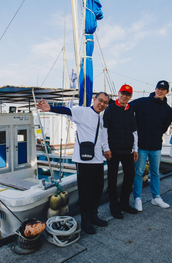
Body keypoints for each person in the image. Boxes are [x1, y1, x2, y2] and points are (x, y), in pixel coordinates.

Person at [36, 92, 110, 235]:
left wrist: (106, 150)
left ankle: (94, 215)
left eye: (105, 102)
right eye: (100, 100)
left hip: (97, 159)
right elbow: (67, 110)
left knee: (97, 189)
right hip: (84, 160)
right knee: (86, 192)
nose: (102, 104)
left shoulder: (100, 119)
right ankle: (86, 221)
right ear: (94, 99)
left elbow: (102, 136)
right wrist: (50, 108)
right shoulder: (83, 111)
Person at [130, 80, 172, 211]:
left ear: (167, 92)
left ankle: (156, 197)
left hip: (156, 146)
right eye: (158, 88)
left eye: (163, 89)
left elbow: (165, 127)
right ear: (155, 89)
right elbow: (126, 107)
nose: (160, 91)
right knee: (138, 172)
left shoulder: (167, 109)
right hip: (141, 145)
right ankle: (137, 198)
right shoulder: (142, 102)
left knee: (155, 173)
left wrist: (155, 133)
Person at [102, 84, 139, 219]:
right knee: (112, 179)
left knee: (130, 175)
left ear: (130, 97)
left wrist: (135, 149)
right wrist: (106, 148)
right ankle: (114, 206)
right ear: (118, 93)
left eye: (127, 94)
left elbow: (134, 131)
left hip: (127, 150)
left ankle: (124, 203)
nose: (124, 96)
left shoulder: (131, 111)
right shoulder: (110, 109)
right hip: (113, 150)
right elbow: (104, 129)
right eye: (123, 93)